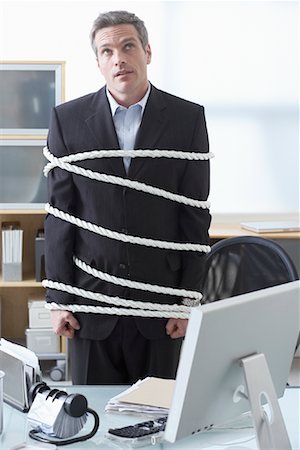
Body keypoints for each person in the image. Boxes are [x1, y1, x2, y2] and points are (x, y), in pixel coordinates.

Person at [44, 10, 211, 385]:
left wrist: (186, 302)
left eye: (127, 46)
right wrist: (59, 298)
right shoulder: (67, 121)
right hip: (90, 305)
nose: (118, 58)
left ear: (147, 52)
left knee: (158, 423)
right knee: (93, 428)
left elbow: (195, 218)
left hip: (159, 308)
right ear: (99, 63)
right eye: (107, 51)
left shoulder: (188, 119)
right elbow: (59, 217)